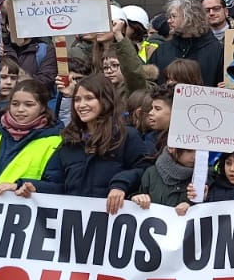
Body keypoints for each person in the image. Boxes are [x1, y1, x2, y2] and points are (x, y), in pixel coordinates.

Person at [16, 77, 149, 205]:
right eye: (77, 99)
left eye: (89, 98)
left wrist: (121, 185)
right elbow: (59, 186)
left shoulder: (126, 136)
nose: (81, 105)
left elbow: (143, 170)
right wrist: (32, 186)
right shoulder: (68, 141)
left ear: (105, 100)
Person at [150, 0, 225, 89]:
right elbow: (151, 84)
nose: (169, 21)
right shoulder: (162, 50)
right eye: (169, 17)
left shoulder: (216, 50)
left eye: (173, 16)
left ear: (189, 18)